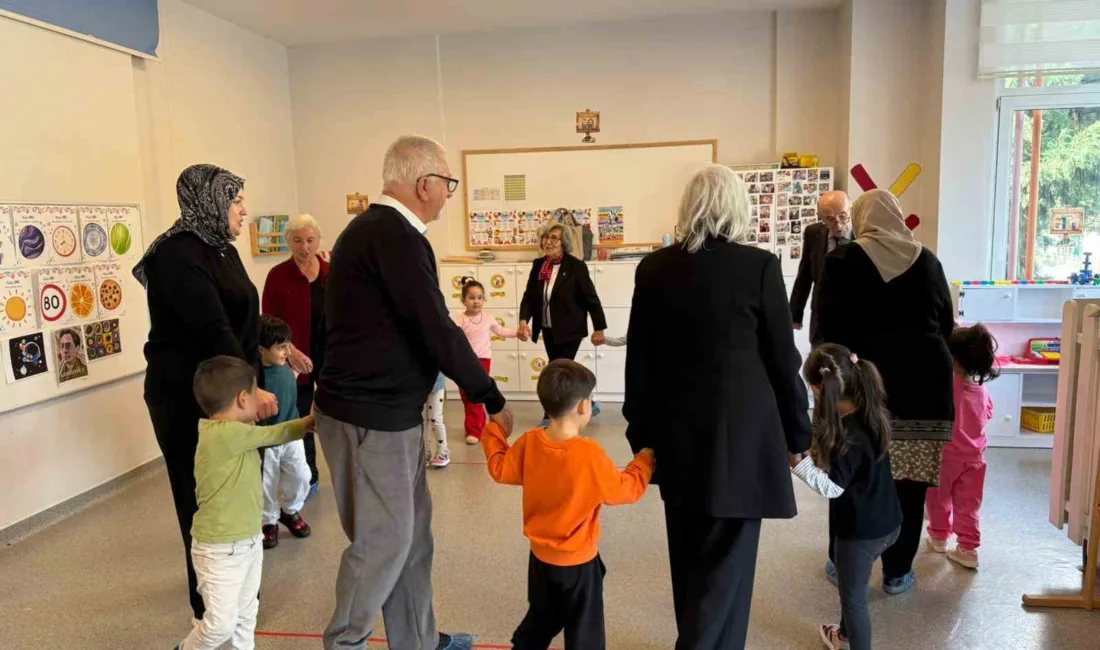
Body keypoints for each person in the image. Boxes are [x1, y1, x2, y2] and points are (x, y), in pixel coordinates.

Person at [314, 135, 514, 650]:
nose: (449, 193)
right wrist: (489, 396)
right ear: (424, 184)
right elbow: (434, 327)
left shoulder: (376, 232)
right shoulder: (393, 235)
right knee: (384, 543)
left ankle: (418, 641)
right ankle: (344, 643)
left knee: (412, 539)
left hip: (391, 415)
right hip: (371, 417)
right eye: (448, 183)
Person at [623, 165, 811, 649]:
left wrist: (640, 434)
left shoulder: (654, 268)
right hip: (740, 439)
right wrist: (798, 434)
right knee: (728, 566)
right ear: (737, 207)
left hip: (675, 435)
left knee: (687, 559)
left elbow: (639, 357)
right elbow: (782, 360)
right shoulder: (759, 266)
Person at [135, 164, 278, 622]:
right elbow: (215, 330)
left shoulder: (221, 247)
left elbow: (242, 318)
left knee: (240, 495)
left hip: (232, 394)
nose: (244, 210)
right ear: (210, 202)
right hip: (189, 400)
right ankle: (212, 608)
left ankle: (240, 596)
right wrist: (251, 390)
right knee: (204, 500)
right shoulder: (177, 255)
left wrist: (276, 354)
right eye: (236, 200)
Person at [817, 188, 955, 595]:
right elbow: (946, 324)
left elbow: (827, 332)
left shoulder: (841, 260)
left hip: (863, 392)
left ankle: (842, 563)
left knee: (850, 478)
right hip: (925, 391)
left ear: (861, 218)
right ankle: (897, 572)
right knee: (909, 485)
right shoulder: (927, 260)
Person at [481, 360, 655, 649]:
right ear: (584, 406)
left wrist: (495, 432)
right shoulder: (589, 454)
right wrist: (644, 461)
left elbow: (500, 469)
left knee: (542, 615)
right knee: (584, 629)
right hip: (578, 563)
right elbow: (625, 490)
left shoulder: (530, 442)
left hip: (540, 559)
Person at [174, 356, 313, 650]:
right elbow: (277, 433)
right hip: (219, 550)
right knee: (220, 625)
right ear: (242, 399)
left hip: (249, 541)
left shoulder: (228, 432)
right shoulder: (227, 433)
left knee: (247, 615)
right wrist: (311, 422)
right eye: (255, 393)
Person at [790, 345, 901, 650]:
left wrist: (798, 464)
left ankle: (853, 641)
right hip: (890, 523)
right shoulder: (872, 414)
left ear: (818, 389)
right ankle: (843, 636)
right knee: (851, 586)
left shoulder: (849, 436)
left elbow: (832, 488)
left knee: (854, 601)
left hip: (860, 535)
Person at [262, 213, 329, 498]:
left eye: (310, 240)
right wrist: (291, 351)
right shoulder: (278, 276)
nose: (305, 247)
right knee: (301, 419)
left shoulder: (331, 272)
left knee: (334, 416)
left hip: (329, 357)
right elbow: (269, 323)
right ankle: (308, 476)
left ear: (318, 240)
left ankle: (343, 470)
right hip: (291, 361)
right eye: (298, 241)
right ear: (288, 242)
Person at [517, 223, 607, 426]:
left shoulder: (576, 266)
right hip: (548, 328)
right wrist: (523, 321)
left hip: (570, 329)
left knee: (556, 370)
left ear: (564, 243)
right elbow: (529, 296)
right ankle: (587, 403)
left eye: (554, 238)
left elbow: (591, 299)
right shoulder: (539, 265)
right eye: (546, 237)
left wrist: (599, 328)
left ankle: (551, 415)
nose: (548, 242)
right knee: (562, 369)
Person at [925, 324, 999, 570]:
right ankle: (968, 549)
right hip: (975, 459)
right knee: (969, 505)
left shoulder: (944, 386)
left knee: (937, 498)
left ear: (952, 358)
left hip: (944, 457)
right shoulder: (981, 390)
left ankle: (939, 536)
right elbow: (988, 414)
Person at [257, 315, 313, 549]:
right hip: (268, 441)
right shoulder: (256, 378)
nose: (287, 352)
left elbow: (288, 384)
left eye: (287, 346)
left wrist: (298, 370)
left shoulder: (285, 366)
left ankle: (290, 511)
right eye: (281, 347)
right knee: (267, 484)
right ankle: (269, 521)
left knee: (302, 476)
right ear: (261, 350)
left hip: (291, 434)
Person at [453, 277, 518, 444]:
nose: (476, 301)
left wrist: (517, 333)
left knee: (476, 395)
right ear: (463, 301)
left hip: (482, 361)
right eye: (472, 298)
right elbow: (453, 338)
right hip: (464, 362)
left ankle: (474, 430)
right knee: (466, 396)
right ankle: (476, 425)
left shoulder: (488, 318)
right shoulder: (460, 320)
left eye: (480, 297)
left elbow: (501, 331)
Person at [790, 191, 852, 345]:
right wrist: (795, 314)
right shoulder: (813, 233)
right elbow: (805, 274)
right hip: (821, 317)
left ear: (851, 209)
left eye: (843, 216)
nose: (838, 224)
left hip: (853, 320)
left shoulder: (865, 233)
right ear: (822, 218)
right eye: (830, 219)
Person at [424, 373, 450, 468]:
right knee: (422, 420)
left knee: (435, 418)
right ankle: (425, 452)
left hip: (436, 385)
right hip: (419, 385)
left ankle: (443, 452)